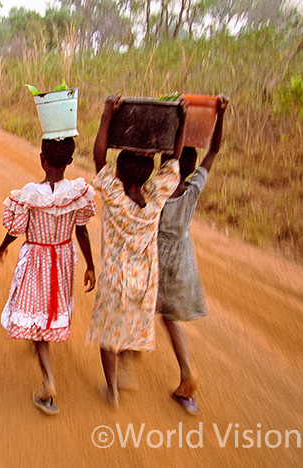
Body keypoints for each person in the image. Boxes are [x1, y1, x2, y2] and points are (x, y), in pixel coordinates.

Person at [86, 94, 186, 409]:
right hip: (144, 282)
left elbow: (99, 158)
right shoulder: (155, 199)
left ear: (118, 173)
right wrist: (180, 121)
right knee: (131, 324)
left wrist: (106, 115)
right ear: (148, 175)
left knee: (108, 335)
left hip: (115, 280)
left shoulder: (114, 198)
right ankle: (127, 363)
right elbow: (173, 163)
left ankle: (112, 390)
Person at [0, 136, 96, 415]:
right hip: (63, 258)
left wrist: (2, 247)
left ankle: (48, 382)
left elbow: (16, 230)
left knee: (37, 311)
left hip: (37, 258)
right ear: (70, 160)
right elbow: (82, 230)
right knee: (52, 306)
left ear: (42, 159)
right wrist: (90, 265)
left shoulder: (29, 194)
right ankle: (43, 338)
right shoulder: (76, 191)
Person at [158, 95, 229, 415]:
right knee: (168, 313)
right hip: (182, 256)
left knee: (152, 307)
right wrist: (221, 115)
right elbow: (213, 151)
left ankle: (182, 370)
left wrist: (180, 120)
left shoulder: (158, 190)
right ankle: (183, 371)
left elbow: (168, 159)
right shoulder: (194, 187)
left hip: (158, 253)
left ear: (167, 165)